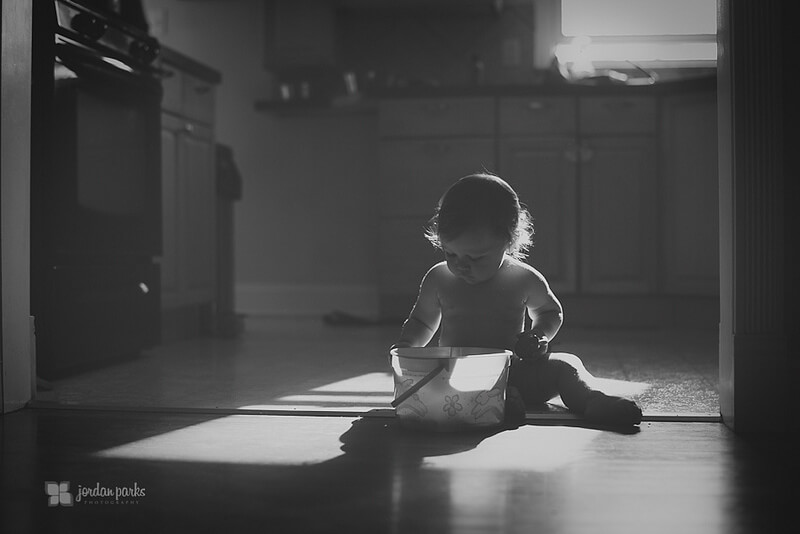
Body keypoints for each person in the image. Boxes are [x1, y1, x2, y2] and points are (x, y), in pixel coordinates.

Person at [390, 173, 642, 427]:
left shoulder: (522, 278)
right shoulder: (439, 278)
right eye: (450, 253)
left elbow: (549, 311)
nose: (461, 265)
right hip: (459, 376)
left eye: (475, 258)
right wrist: (407, 347)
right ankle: (499, 403)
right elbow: (422, 321)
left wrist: (539, 335)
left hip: (516, 370)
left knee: (567, 365)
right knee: (437, 384)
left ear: (509, 240)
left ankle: (593, 399)